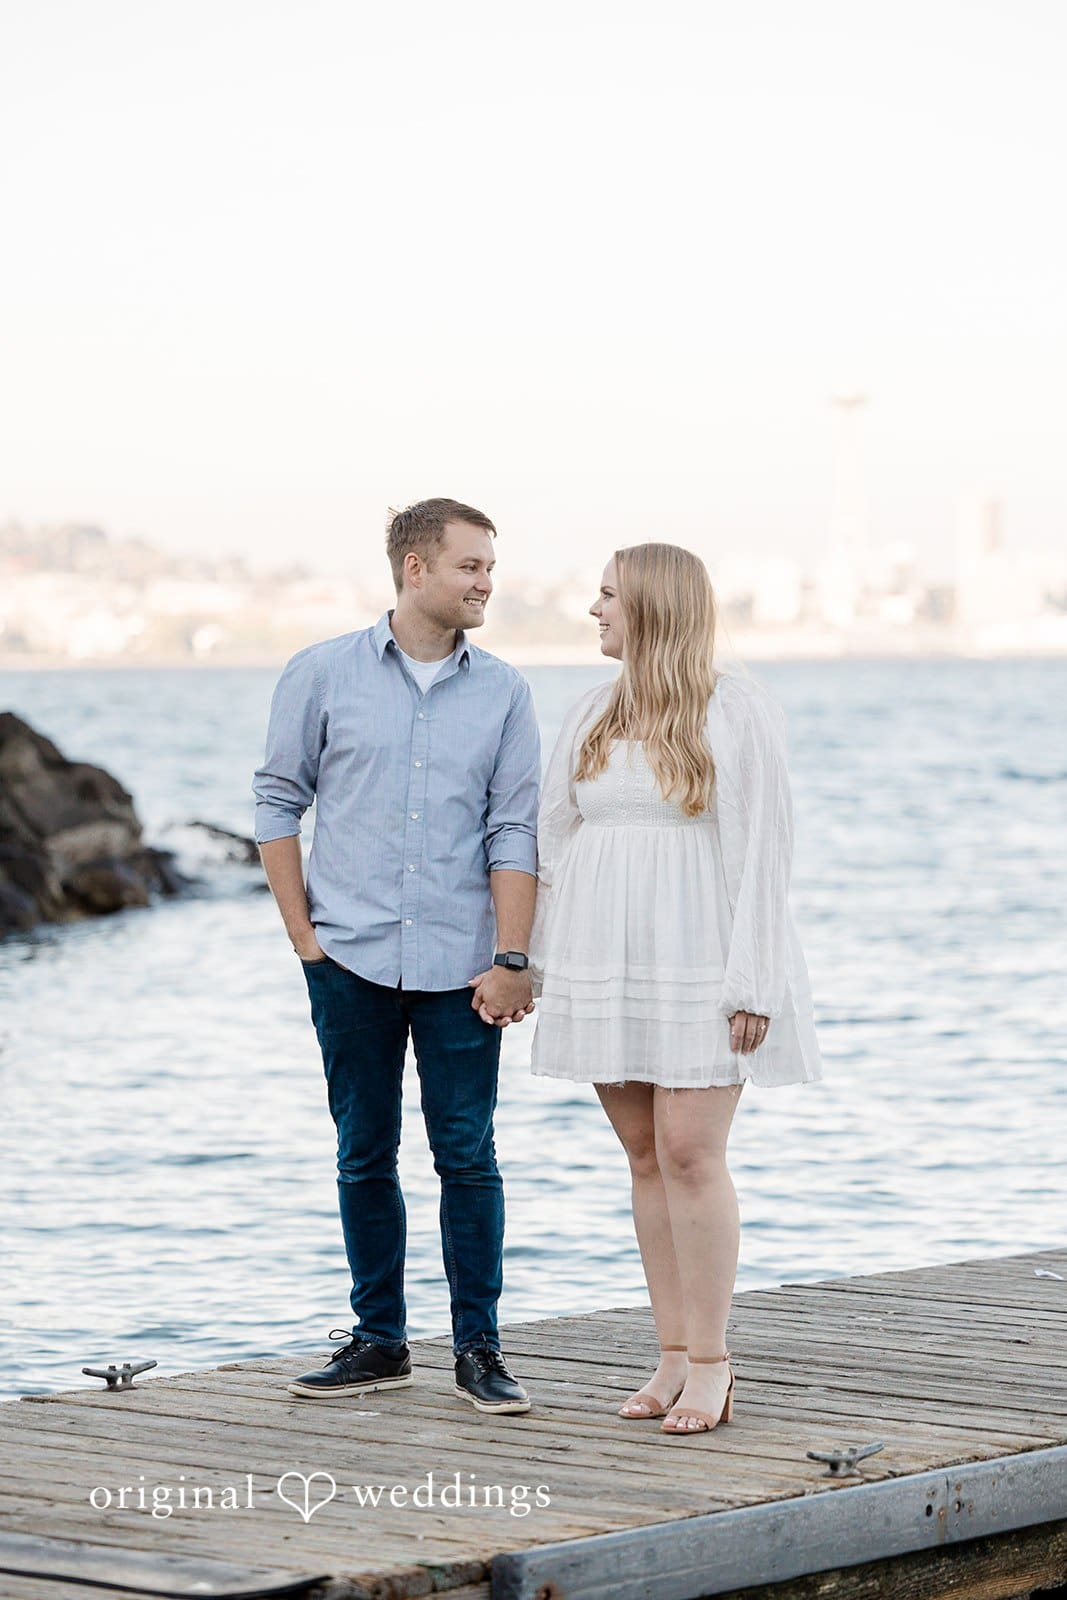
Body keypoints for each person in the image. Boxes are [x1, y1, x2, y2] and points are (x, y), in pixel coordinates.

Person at [252, 498, 540, 1415]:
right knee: (362, 1153)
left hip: (464, 967)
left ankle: (477, 1349)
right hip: (350, 959)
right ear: (415, 568)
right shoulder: (322, 674)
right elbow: (275, 801)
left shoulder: (503, 690)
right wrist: (304, 939)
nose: (486, 582)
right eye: (470, 566)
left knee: (468, 1156)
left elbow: (513, 830)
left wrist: (512, 956)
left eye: (490, 567)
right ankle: (379, 1341)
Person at [529, 543, 823, 1435]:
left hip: (701, 960)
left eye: (609, 595)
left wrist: (754, 981)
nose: (594, 609)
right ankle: (666, 1356)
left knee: (692, 1154)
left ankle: (712, 1363)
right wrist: (534, 964)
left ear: (653, 608)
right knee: (645, 1158)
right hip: (604, 960)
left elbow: (763, 854)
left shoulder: (733, 709)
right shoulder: (590, 710)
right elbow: (552, 843)